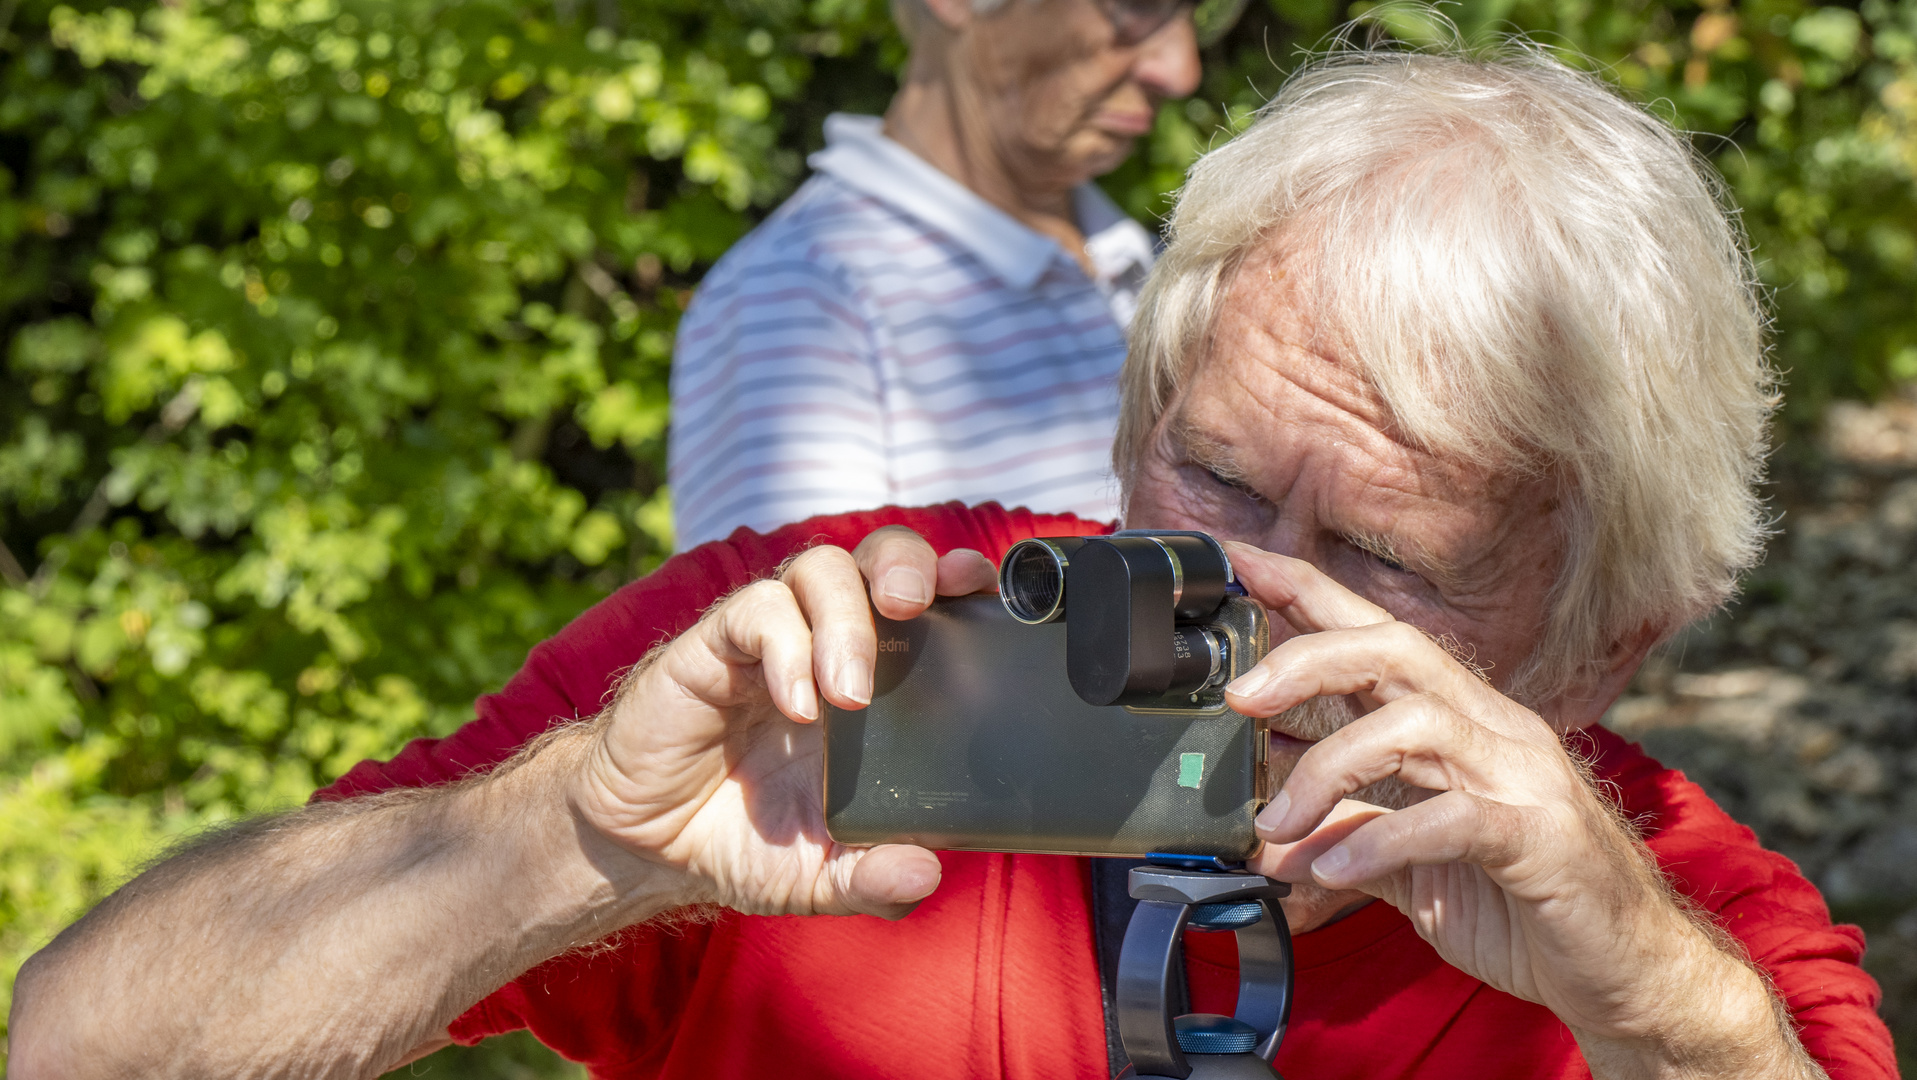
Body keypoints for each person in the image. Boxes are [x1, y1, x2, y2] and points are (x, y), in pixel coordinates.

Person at [9, 46, 1899, 1080]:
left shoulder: (1667, 925)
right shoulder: (833, 649)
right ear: (1127, 419)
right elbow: (82, 1044)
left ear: (1600, 650)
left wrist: (1657, 1012)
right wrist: (561, 842)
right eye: (1217, 478)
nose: (1253, 599)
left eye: (1389, 557)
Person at [665, 0, 1202, 548]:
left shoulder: (1140, 259)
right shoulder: (795, 297)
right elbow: (791, 620)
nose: (1182, 71)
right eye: (1139, 6)